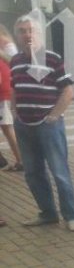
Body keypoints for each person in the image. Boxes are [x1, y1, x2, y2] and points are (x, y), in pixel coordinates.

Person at [10, 15, 74, 231]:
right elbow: (14, 87)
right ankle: (48, 213)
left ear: (39, 33)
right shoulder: (15, 61)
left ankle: (71, 215)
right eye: (22, 31)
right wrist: (14, 111)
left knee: (59, 172)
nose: (27, 34)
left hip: (48, 126)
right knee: (33, 174)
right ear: (17, 36)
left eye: (31, 30)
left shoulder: (52, 58)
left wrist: (54, 116)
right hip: (24, 125)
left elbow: (68, 90)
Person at [0, 25, 22, 171]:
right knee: (6, 127)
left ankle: (22, 160)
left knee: (7, 127)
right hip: (4, 89)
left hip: (5, 90)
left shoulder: (6, 42)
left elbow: (15, 62)